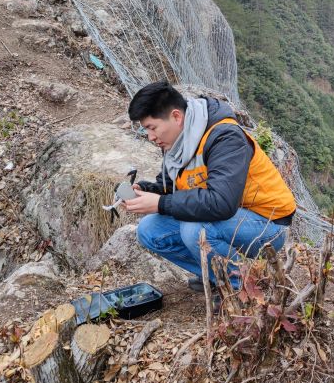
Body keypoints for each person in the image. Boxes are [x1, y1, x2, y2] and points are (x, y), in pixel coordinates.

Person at [122, 80, 296, 292]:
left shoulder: (224, 137)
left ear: (176, 117)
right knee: (149, 229)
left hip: (266, 224)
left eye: (152, 128)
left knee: (195, 229)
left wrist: (160, 203)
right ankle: (215, 274)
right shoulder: (177, 141)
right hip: (230, 219)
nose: (150, 137)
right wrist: (146, 191)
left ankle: (241, 289)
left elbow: (221, 203)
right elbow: (169, 185)